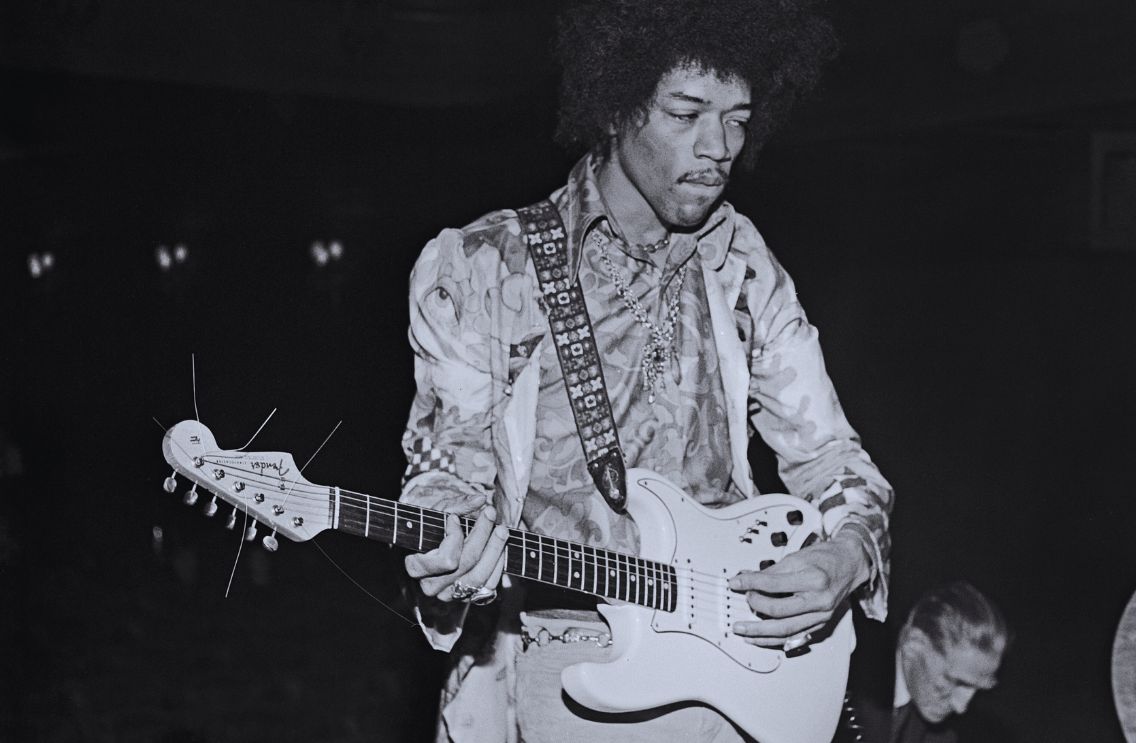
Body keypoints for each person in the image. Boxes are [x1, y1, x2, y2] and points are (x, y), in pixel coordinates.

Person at [398, 1, 894, 740]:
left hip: (739, 665)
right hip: (571, 658)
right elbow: (448, 473)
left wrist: (848, 552)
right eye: (685, 114)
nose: (718, 147)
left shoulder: (740, 263)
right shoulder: (486, 266)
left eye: (737, 119)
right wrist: (449, 543)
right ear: (614, 105)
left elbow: (831, 458)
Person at [837, 582, 1009, 743]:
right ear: (914, 643)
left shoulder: (943, 734)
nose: (961, 707)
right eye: (955, 681)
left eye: (977, 689)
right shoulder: (844, 679)